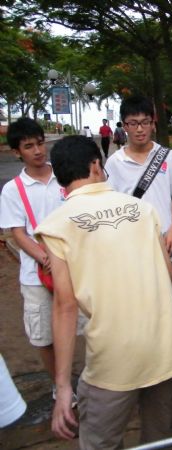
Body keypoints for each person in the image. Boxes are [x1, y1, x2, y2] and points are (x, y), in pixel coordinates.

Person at [35, 135, 172, 449]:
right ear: (96, 165)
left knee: (100, 441)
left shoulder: (57, 224)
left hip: (113, 357)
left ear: (60, 176)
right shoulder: (143, 210)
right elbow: (169, 274)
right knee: (162, 440)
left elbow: (65, 305)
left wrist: (62, 386)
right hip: (163, 346)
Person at [104, 95, 172, 399]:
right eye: (133, 123)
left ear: (153, 124)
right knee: (139, 313)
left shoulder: (169, 157)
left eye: (145, 122)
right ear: (124, 126)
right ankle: (144, 372)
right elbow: (110, 207)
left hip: (168, 246)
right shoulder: (114, 163)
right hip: (132, 251)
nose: (140, 129)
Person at [0, 118, 84, 403]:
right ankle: (61, 386)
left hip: (76, 268)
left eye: (39, 143)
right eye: (28, 146)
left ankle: (92, 381)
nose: (37, 151)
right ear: (16, 152)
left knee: (89, 327)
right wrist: (45, 257)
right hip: (36, 275)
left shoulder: (65, 176)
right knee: (44, 336)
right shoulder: (13, 190)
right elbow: (18, 233)